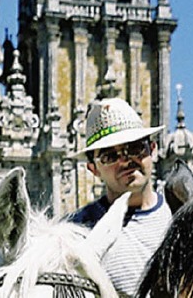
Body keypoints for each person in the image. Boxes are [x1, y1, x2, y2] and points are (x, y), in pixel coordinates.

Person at [68, 97, 172, 297]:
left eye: (135, 148)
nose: (125, 161)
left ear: (152, 149)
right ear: (93, 169)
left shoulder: (180, 214)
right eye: (110, 156)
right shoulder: (75, 231)